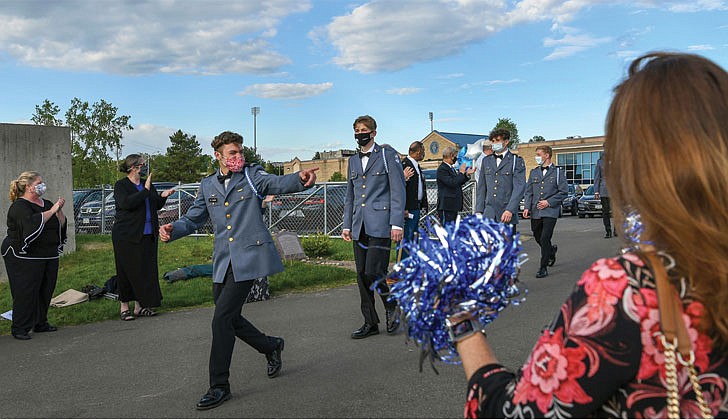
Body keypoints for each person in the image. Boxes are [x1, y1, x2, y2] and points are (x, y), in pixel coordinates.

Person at [452, 52, 728, 417]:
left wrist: (462, 319)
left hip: (549, 213)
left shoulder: (625, 291)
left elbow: (520, 411)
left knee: (545, 240)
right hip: (531, 213)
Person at [159, 131, 318, 410]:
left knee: (221, 320)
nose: (238, 157)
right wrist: (173, 230)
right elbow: (195, 218)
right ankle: (271, 346)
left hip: (250, 258)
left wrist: (299, 180)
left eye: (240, 152)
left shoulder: (251, 175)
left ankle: (219, 385)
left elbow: (276, 183)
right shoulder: (208, 185)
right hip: (224, 261)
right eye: (232, 153)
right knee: (230, 319)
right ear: (218, 156)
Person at [342, 115, 406, 338]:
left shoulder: (387, 156)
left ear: (374, 132)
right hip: (359, 225)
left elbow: (398, 190)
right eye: (357, 130)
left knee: (374, 271)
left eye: (364, 130)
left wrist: (397, 223)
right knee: (361, 274)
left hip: (381, 223)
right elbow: (350, 195)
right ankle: (370, 322)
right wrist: (347, 224)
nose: (360, 133)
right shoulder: (352, 161)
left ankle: (391, 304)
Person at [1, 172, 67, 340]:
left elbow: (60, 223)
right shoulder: (19, 206)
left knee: (45, 289)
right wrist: (51, 211)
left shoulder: (47, 204)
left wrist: (58, 212)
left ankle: (40, 322)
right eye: (39, 182)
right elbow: (30, 225)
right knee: (26, 290)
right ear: (29, 187)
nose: (42, 185)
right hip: (24, 255)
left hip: (48, 254)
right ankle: (20, 328)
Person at [112, 154, 175, 321]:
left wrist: (163, 196)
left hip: (147, 233)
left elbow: (154, 203)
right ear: (134, 167)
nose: (145, 167)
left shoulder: (147, 184)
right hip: (127, 235)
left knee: (146, 270)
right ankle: (124, 306)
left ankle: (141, 306)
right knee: (127, 270)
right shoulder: (121, 185)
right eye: (142, 164)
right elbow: (126, 204)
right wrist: (145, 191)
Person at [522, 145, 568, 278]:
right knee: (537, 236)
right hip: (536, 211)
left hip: (550, 211)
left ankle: (543, 267)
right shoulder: (534, 172)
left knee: (545, 237)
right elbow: (529, 191)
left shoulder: (558, 172)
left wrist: (549, 202)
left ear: (547, 155)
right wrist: (526, 207)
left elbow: (564, 192)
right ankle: (551, 251)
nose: (536, 157)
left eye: (538, 154)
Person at [475, 129, 526, 227]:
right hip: (489, 212)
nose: (494, 144)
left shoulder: (516, 161)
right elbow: (481, 188)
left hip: (506, 212)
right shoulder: (486, 161)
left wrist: (510, 209)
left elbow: (519, 187)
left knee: (506, 242)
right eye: (493, 141)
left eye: (497, 141)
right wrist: (479, 210)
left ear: (506, 142)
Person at [401, 141, 428, 260]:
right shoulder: (406, 164)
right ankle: (403, 266)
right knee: (407, 236)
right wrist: (404, 207)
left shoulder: (416, 165)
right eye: (423, 151)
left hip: (416, 206)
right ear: (418, 152)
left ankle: (412, 264)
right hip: (409, 207)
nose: (424, 154)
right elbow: (402, 189)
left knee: (414, 237)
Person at [436, 146, 472, 224]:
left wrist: (466, 175)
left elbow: (457, 181)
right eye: (456, 155)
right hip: (447, 206)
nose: (456, 158)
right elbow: (452, 182)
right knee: (447, 229)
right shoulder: (442, 169)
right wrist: (461, 173)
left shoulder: (451, 168)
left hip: (453, 205)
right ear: (452, 156)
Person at [594, 152, 618, 238]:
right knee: (605, 212)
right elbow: (597, 176)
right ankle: (608, 231)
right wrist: (596, 191)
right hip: (604, 190)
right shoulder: (600, 162)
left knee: (616, 211)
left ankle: (616, 230)